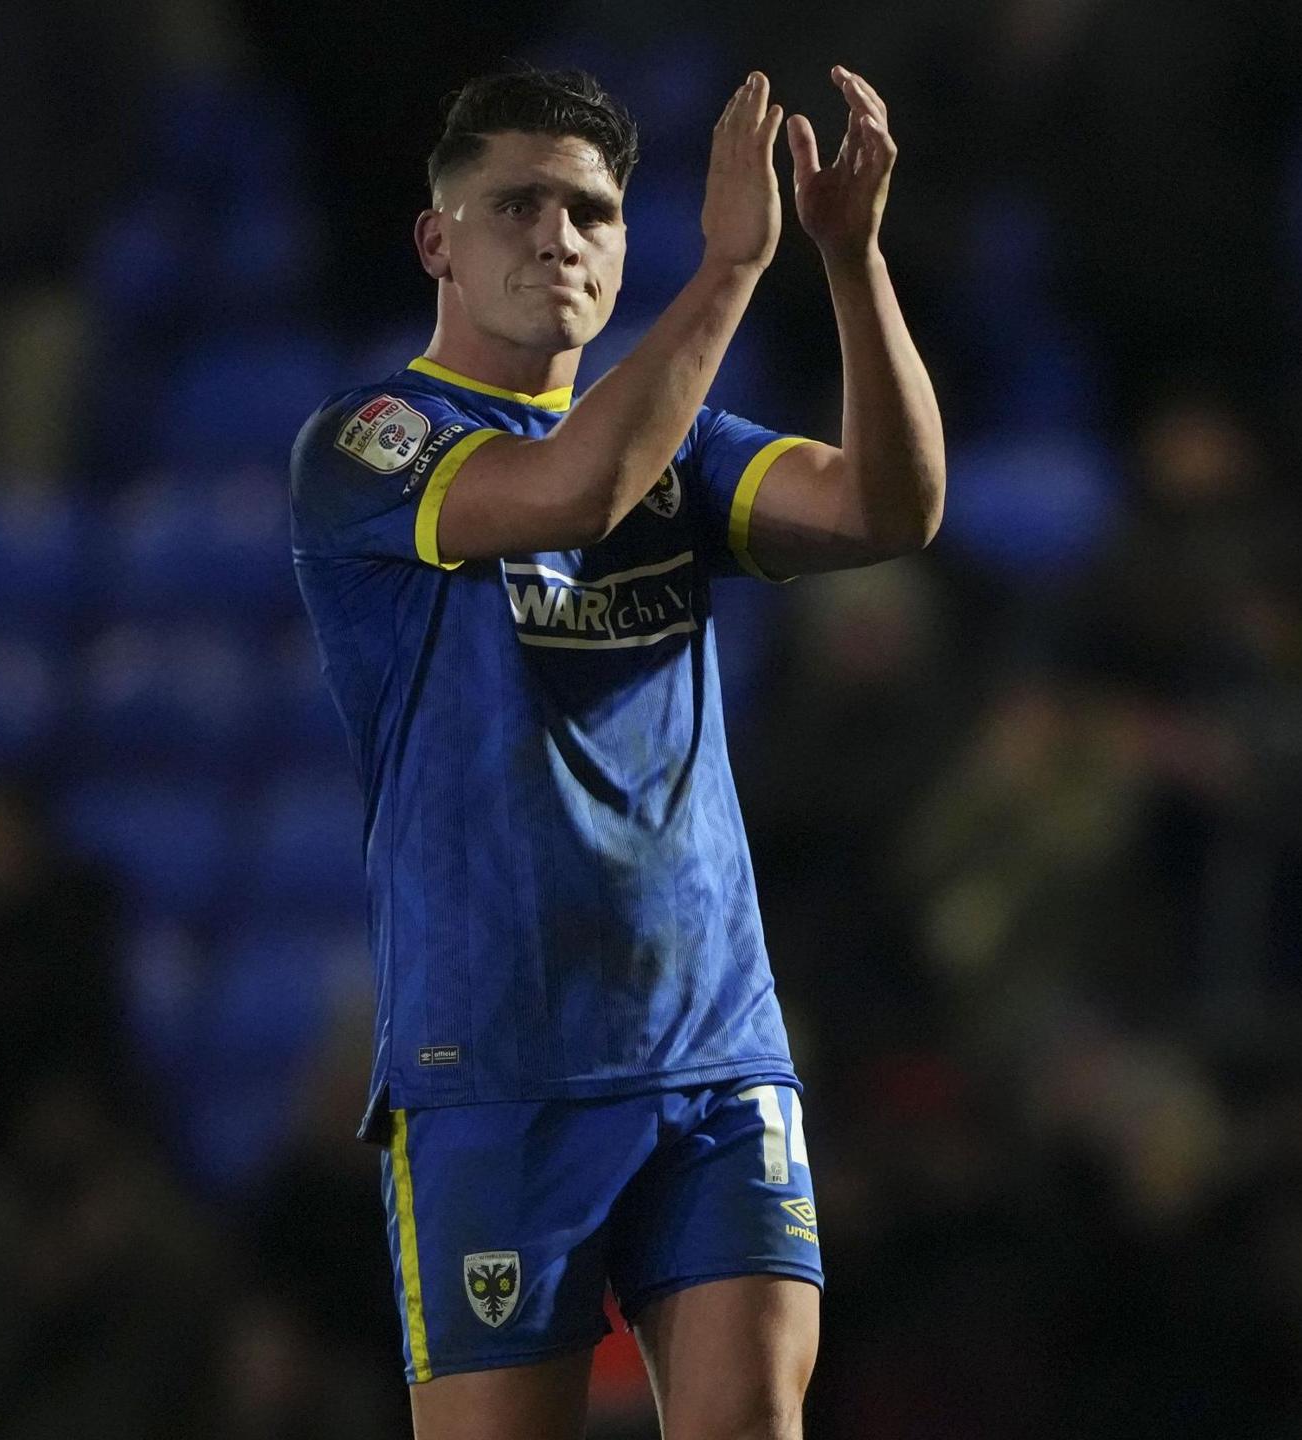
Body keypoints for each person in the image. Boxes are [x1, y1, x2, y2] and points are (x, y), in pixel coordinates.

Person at [286, 63, 943, 1440]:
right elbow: (570, 489)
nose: (558, 236)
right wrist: (729, 272)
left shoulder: (685, 453)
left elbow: (891, 505)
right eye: (516, 204)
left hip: (711, 1049)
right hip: (496, 1064)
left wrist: (850, 259)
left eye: (590, 209)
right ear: (436, 241)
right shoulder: (370, 445)